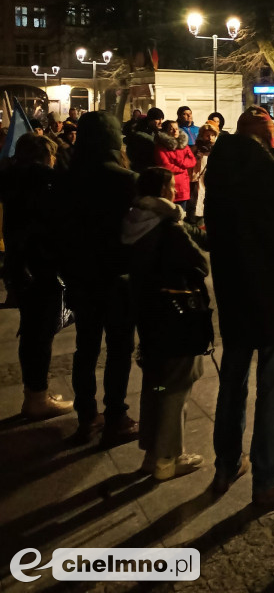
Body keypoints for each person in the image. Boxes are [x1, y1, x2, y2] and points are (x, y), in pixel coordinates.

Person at [205, 107, 274, 507]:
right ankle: (269, 477)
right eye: (273, 131)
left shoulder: (216, 171)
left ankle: (227, 464)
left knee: (232, 382)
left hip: (234, 289)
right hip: (273, 290)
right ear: (265, 135)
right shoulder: (271, 172)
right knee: (273, 387)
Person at [122, 167, 208, 480]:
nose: (175, 191)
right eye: (171, 186)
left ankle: (151, 453)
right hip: (176, 317)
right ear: (161, 190)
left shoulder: (133, 219)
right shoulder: (168, 225)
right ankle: (169, 457)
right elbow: (199, 264)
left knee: (156, 383)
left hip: (148, 315)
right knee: (177, 385)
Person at [59, 112, 138, 446]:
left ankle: (86, 416)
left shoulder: (66, 179)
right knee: (119, 349)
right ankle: (115, 416)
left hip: (81, 278)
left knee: (85, 348)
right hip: (117, 278)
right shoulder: (126, 180)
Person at [0, 134, 74, 419]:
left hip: (20, 268)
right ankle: (37, 399)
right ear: (46, 156)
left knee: (32, 332)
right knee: (39, 335)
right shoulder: (44, 182)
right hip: (40, 269)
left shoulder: (11, 179)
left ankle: (35, 393)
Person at [155, 120, 196, 212]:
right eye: (171, 129)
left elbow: (192, 160)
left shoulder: (183, 145)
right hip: (169, 186)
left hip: (183, 187)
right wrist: (182, 169)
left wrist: (180, 162)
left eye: (176, 128)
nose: (175, 131)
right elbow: (165, 165)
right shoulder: (161, 147)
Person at [187, 121, 218, 225]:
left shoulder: (218, 150)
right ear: (202, 135)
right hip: (197, 183)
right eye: (207, 135)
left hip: (212, 184)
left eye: (213, 135)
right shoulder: (196, 149)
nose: (210, 138)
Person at [125, 107, 164, 173]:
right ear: (150, 120)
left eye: (162, 119)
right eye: (158, 119)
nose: (161, 122)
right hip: (143, 169)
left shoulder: (159, 132)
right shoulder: (139, 135)